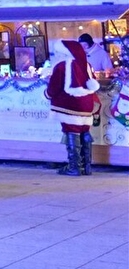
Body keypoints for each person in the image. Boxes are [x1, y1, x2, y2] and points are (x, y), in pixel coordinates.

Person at [46, 38, 100, 176]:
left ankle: (74, 166)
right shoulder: (86, 65)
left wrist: (47, 94)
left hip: (69, 104)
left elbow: (53, 87)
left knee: (71, 130)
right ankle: (86, 167)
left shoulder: (61, 66)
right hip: (87, 104)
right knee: (84, 130)